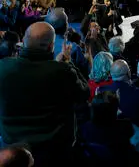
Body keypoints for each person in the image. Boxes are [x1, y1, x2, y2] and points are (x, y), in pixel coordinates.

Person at [0, 22, 90, 166]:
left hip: (12, 148)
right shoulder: (62, 71)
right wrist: (68, 63)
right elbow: (84, 93)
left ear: (23, 41)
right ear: (51, 47)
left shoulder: (3, 67)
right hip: (53, 150)